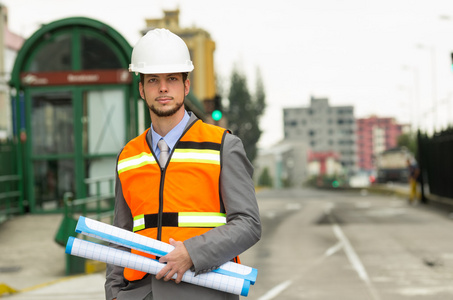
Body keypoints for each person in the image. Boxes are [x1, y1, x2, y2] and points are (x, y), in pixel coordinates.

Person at [105, 28, 261, 300]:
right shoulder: (128, 156)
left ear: (186, 86)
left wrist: (192, 253)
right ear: (141, 89)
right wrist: (115, 294)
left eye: (172, 79)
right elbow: (121, 234)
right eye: (153, 79)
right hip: (141, 294)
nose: (163, 88)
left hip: (203, 289)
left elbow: (248, 224)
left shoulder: (223, 145)